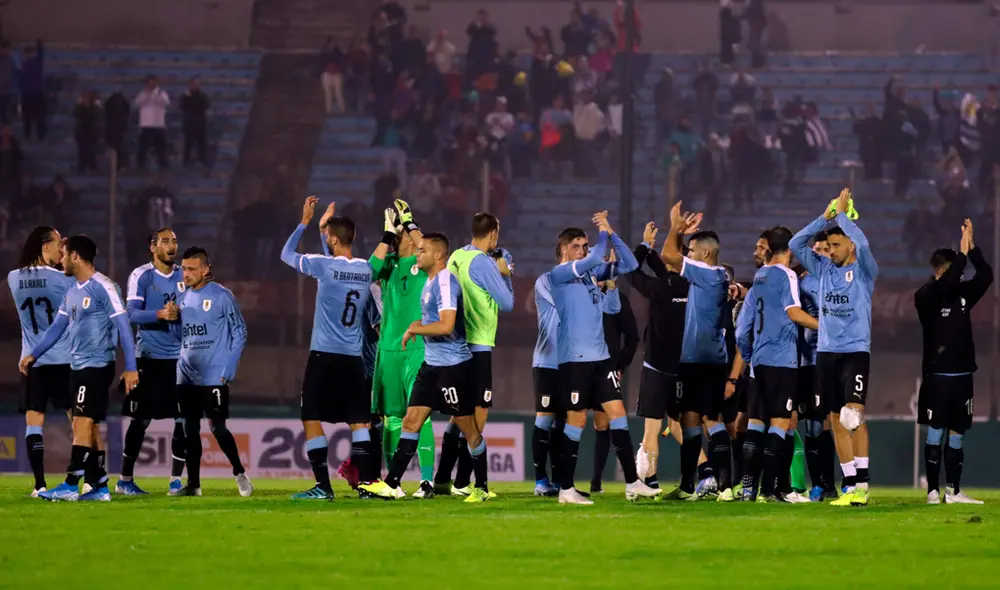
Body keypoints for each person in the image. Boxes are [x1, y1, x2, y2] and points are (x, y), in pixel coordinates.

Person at [360, 233, 496, 503]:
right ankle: (391, 484)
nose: (417, 254)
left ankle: (480, 486)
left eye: (422, 251)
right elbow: (432, 318)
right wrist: (418, 325)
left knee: (469, 430)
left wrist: (415, 328)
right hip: (430, 366)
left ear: (437, 255)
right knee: (411, 421)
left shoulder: (446, 281)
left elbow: (446, 325)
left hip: (453, 368)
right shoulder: (430, 283)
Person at [548, 212, 660, 505]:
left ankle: (633, 482)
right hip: (575, 359)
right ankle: (566, 489)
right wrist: (601, 235)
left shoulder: (591, 275)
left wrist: (611, 231)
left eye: (584, 245)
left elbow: (631, 264)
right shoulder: (560, 274)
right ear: (563, 249)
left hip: (601, 359)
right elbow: (600, 253)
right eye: (577, 246)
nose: (583, 251)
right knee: (576, 421)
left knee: (618, 416)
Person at [20, 235, 138, 502]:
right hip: (77, 366)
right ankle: (99, 486)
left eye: (63, 254)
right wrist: (33, 354)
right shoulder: (72, 291)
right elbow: (56, 328)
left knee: (82, 422)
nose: (60, 259)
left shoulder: (104, 287)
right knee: (91, 426)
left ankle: (71, 483)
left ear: (75, 256)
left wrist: (131, 367)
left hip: (96, 366)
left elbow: (123, 327)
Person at [280, 197, 376, 500]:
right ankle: (366, 486)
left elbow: (286, 255)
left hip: (323, 355)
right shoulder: (365, 270)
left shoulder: (324, 265)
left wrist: (305, 221)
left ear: (334, 239)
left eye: (329, 238)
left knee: (311, 417)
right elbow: (338, 266)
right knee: (358, 421)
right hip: (353, 358)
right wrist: (325, 234)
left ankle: (323, 486)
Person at [790, 189, 877, 507]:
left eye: (837, 245)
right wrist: (825, 218)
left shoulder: (865, 272)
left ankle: (863, 484)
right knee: (835, 418)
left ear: (850, 245)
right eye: (828, 247)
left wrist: (842, 216)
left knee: (853, 416)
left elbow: (864, 244)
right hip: (826, 352)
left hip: (855, 351)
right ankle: (851, 485)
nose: (831, 252)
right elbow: (795, 244)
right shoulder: (824, 270)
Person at [435, 209, 514, 496]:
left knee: (459, 414)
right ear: (493, 233)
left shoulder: (456, 256)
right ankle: (463, 482)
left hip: (457, 343)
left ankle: (443, 477)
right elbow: (507, 303)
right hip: (479, 343)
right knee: (478, 415)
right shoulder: (483, 263)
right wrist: (504, 275)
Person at [735, 227, 818, 503]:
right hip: (783, 361)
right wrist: (825, 326)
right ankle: (769, 491)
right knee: (780, 426)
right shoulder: (787, 275)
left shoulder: (758, 277)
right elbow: (793, 312)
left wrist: (749, 357)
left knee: (756, 425)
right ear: (790, 250)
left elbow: (741, 329)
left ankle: (748, 488)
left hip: (759, 362)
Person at [661, 202, 735, 501]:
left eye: (692, 251)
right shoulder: (710, 276)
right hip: (702, 359)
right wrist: (681, 237)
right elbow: (672, 261)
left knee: (710, 418)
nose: (687, 255)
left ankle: (725, 485)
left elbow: (667, 256)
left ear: (705, 253)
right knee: (692, 418)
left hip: (701, 360)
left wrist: (674, 229)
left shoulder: (710, 274)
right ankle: (690, 485)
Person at [915, 219, 991, 505]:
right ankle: (932, 491)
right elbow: (948, 282)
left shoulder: (962, 295)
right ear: (939, 272)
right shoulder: (925, 296)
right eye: (953, 272)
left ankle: (953, 491)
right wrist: (960, 256)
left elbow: (986, 276)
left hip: (963, 376)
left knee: (958, 432)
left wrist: (972, 251)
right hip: (937, 376)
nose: (959, 278)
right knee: (936, 431)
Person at [369, 207, 437, 499]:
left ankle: (426, 481)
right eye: (402, 232)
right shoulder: (389, 266)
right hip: (388, 349)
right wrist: (388, 233)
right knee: (391, 419)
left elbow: (427, 246)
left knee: (421, 414)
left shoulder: (422, 264)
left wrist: (409, 221)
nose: (405, 237)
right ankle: (392, 483)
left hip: (417, 349)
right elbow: (370, 269)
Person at [114, 228, 186, 496]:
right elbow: (129, 315)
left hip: (180, 360)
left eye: (174, 240)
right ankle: (124, 480)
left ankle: (176, 482)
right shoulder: (141, 275)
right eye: (166, 241)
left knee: (183, 420)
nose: (172, 245)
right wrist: (159, 314)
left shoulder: (184, 274)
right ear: (152, 247)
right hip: (149, 358)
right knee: (140, 419)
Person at [173, 247, 250, 497]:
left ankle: (239, 473)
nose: (186, 274)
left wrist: (229, 368)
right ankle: (193, 485)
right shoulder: (181, 297)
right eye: (184, 268)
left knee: (217, 428)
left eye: (192, 269)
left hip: (214, 375)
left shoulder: (221, 296)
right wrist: (173, 320)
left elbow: (240, 332)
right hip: (186, 376)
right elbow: (180, 335)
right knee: (190, 430)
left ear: (206, 269)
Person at [8, 227, 74, 496]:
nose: (61, 249)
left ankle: (39, 484)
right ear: (45, 246)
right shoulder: (62, 280)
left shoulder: (13, 278)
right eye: (58, 243)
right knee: (80, 423)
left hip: (31, 361)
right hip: (64, 359)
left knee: (34, 423)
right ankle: (91, 479)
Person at [590, 265, 638, 494]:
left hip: (605, 368)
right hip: (578, 364)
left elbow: (632, 337)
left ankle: (596, 483)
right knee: (569, 417)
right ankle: (559, 481)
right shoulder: (581, 297)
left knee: (603, 422)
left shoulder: (618, 301)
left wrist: (620, 366)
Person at [799, 232, 838, 502]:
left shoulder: (840, 280)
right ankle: (818, 484)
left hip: (832, 360)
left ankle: (833, 482)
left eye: (827, 249)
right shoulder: (802, 282)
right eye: (819, 249)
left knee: (830, 423)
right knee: (812, 425)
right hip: (807, 362)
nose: (823, 253)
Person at [135, 75, 170, 171]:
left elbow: (166, 103)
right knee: (143, 147)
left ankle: (163, 166)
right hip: (145, 124)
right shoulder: (142, 93)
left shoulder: (161, 93)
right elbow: (137, 103)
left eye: (153, 82)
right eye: (150, 82)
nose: (152, 84)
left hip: (158, 124)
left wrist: (155, 96)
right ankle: (140, 165)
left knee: (160, 148)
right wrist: (147, 95)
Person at [181, 77, 210, 167]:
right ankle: (186, 162)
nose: (196, 86)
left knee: (201, 143)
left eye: (197, 84)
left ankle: (202, 160)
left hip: (200, 123)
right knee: (188, 144)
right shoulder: (185, 96)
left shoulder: (203, 96)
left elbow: (206, 105)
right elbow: (183, 106)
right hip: (189, 123)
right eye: (193, 84)